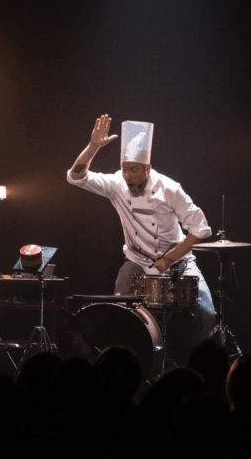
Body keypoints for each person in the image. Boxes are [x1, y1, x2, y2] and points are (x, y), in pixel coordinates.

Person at [67, 114, 217, 355]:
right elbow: (76, 177)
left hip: (177, 261)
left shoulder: (170, 189)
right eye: (124, 169)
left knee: (208, 314)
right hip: (136, 261)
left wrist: (168, 259)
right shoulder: (117, 184)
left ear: (148, 168)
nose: (128, 176)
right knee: (116, 313)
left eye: (134, 170)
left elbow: (200, 228)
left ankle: (197, 365)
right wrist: (94, 146)